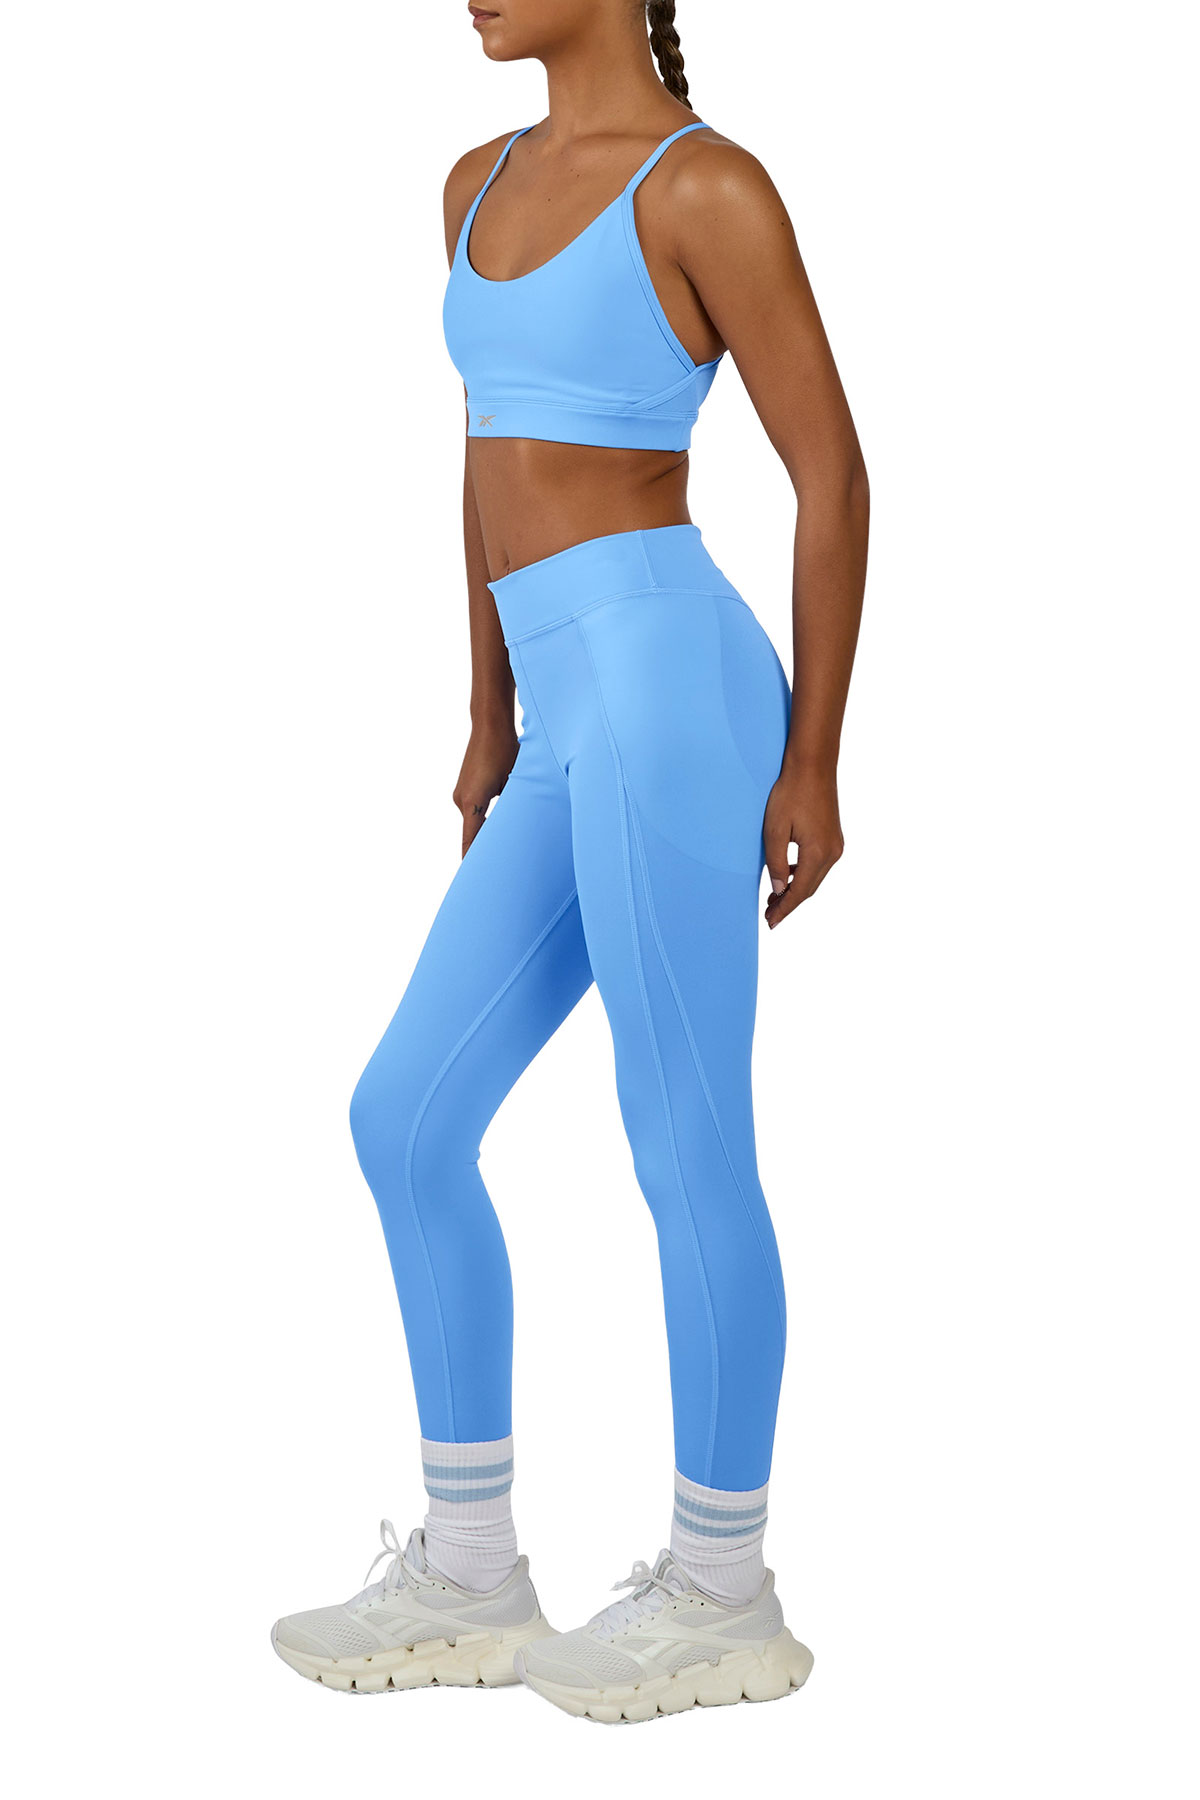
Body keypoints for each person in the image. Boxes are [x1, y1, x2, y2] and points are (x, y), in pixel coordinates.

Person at [272, 0, 868, 1723]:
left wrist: (816, 758)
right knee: (404, 1117)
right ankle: (471, 1568)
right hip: (560, 702)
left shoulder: (706, 189)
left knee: (684, 1140)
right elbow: (483, 464)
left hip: (674, 689)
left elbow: (832, 476)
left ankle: (723, 1593)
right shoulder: (471, 182)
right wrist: (487, 710)